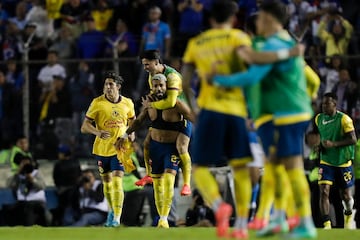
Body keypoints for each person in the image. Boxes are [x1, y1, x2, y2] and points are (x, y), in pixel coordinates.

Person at [211, 0, 317, 238]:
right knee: (275, 168)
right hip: (282, 113)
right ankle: (278, 219)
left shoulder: (275, 44)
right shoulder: (280, 43)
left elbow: (253, 75)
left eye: (259, 17)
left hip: (286, 113)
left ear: (269, 18)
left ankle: (306, 223)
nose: (256, 21)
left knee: (292, 168)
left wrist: (219, 79)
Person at [116, 73, 195, 228]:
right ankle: (161, 217)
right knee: (157, 186)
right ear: (151, 87)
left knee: (168, 181)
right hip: (156, 148)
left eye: (161, 85)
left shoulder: (176, 103)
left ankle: (164, 218)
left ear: (167, 86)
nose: (158, 88)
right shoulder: (150, 104)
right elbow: (138, 121)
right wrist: (124, 135)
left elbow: (192, 116)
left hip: (172, 148)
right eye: (155, 85)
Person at [81, 71, 136, 227]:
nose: (108, 87)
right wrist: (97, 132)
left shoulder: (128, 103)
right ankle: (111, 211)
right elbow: (84, 127)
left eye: (111, 84)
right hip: (101, 150)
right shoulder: (97, 103)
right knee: (107, 184)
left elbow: (133, 122)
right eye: (106, 84)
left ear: (118, 87)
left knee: (118, 182)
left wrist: (131, 134)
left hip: (120, 149)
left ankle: (117, 218)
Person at [137, 49, 192, 197]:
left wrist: (152, 106)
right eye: (143, 65)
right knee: (147, 142)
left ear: (156, 62)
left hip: (182, 114)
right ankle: (149, 175)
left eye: (147, 64)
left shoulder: (173, 76)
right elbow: (155, 95)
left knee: (181, 147)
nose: (145, 68)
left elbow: (171, 101)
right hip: (165, 113)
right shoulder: (152, 76)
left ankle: (187, 184)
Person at [307, 92, 356, 229]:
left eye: (327, 103)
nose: (323, 106)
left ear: (335, 104)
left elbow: (353, 139)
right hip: (326, 161)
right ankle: (327, 225)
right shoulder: (318, 119)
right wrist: (319, 146)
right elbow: (322, 137)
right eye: (322, 103)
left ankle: (348, 213)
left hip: (343, 162)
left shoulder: (344, 119)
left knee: (346, 195)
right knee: (324, 191)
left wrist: (334, 144)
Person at [6, 155, 51, 226]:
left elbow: (42, 186)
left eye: (27, 163)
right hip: (22, 202)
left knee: (31, 211)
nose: (25, 166)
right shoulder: (18, 175)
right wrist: (17, 173)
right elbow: (9, 185)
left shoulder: (36, 173)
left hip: (37, 202)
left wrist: (32, 179)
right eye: (23, 164)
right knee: (9, 211)